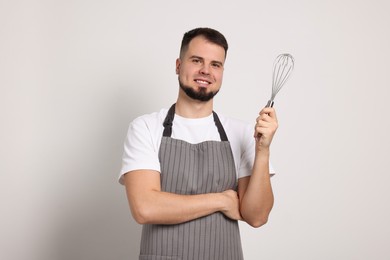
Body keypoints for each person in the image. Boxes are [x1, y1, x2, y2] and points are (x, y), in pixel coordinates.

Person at [119, 27, 278, 260]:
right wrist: (221, 200)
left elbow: (256, 216)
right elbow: (145, 208)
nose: (206, 70)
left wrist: (262, 151)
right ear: (178, 65)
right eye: (196, 60)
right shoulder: (145, 127)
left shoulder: (242, 133)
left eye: (216, 64)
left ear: (222, 71)